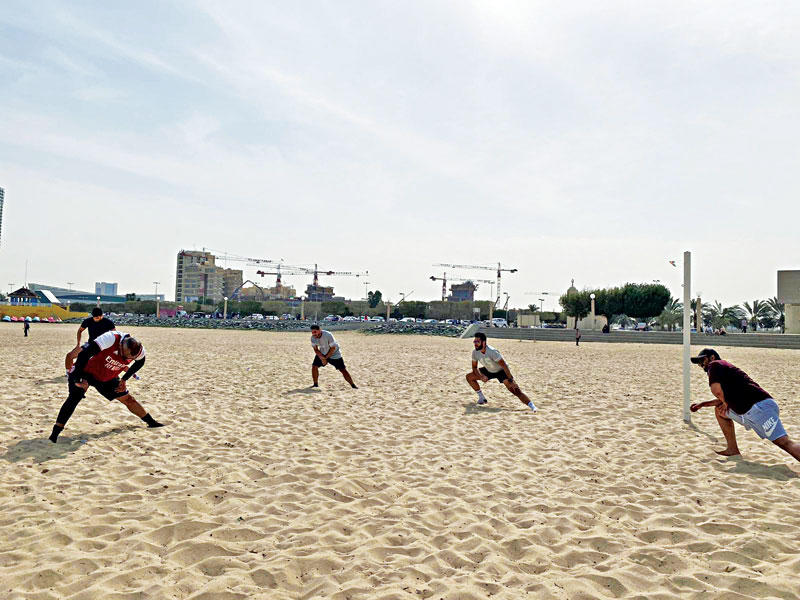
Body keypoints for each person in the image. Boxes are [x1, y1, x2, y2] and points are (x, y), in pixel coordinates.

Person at [49, 331, 163, 443]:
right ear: (121, 346)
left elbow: (140, 363)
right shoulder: (110, 338)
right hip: (85, 371)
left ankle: (151, 422)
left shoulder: (138, 351)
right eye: (124, 355)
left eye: (129, 358)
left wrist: (124, 379)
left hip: (107, 376)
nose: (125, 359)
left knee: (128, 399)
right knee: (75, 397)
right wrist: (78, 379)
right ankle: (54, 434)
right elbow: (84, 354)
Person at [689, 348, 799, 462]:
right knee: (719, 411)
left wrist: (725, 402)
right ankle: (732, 449)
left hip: (759, 408)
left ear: (712, 357)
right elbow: (722, 399)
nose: (701, 364)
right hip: (750, 410)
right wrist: (702, 404)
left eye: (702, 360)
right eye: (698, 363)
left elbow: (717, 392)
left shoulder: (714, 365)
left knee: (784, 443)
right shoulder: (725, 372)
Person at [467, 332, 537, 411]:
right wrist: (481, 376)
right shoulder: (475, 352)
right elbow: (474, 367)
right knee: (469, 377)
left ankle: (532, 406)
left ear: (484, 342)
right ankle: (481, 398)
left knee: (515, 390)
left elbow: (504, 366)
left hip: (501, 371)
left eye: (477, 342)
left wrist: (511, 380)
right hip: (489, 369)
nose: (475, 343)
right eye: (474, 341)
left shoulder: (492, 351)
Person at [65, 307, 116, 372]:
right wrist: (78, 344)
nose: (96, 319)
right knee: (69, 356)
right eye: (95, 317)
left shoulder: (108, 322)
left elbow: (115, 335)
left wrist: (112, 348)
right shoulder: (88, 321)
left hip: (103, 346)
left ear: (101, 316)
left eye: (98, 317)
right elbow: (80, 331)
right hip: (90, 344)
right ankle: (69, 373)